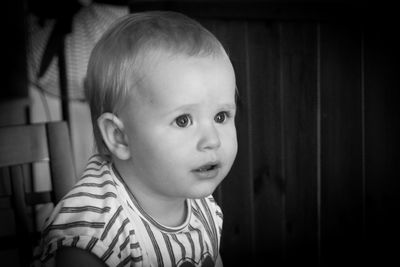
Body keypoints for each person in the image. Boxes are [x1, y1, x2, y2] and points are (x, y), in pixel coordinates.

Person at [36, 10, 237, 267]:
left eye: (221, 116)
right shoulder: (95, 232)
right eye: (183, 120)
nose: (213, 140)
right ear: (119, 137)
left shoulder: (199, 202)